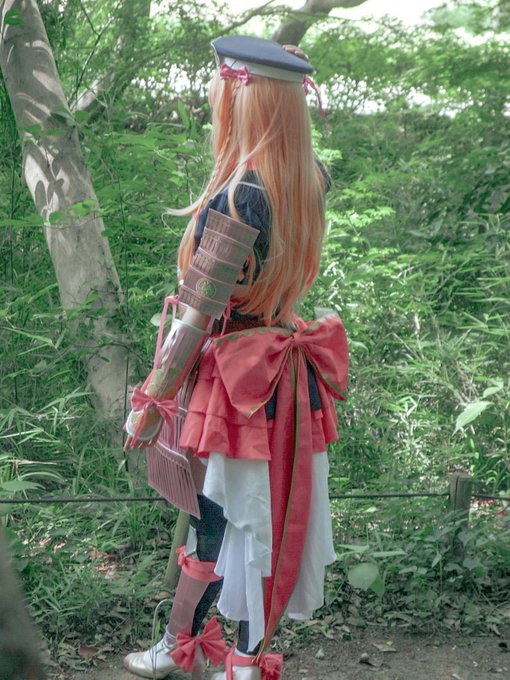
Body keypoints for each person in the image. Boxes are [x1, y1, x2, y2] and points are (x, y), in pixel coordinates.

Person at [123, 35, 348, 680]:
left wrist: (152, 396)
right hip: (284, 373)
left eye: (224, 93)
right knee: (259, 521)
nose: (216, 105)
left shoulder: (240, 193)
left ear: (247, 102)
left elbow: (196, 314)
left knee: (216, 518)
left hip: (233, 378)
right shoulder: (309, 178)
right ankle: (235, 658)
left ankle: (186, 648)